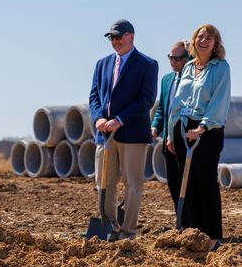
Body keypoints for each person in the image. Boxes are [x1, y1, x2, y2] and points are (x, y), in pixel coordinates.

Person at [89, 20, 158, 241]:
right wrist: (99, 117)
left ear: (131, 37)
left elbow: (146, 99)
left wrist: (119, 119)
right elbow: (94, 96)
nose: (115, 42)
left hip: (133, 135)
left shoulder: (147, 64)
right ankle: (109, 228)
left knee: (132, 184)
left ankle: (128, 233)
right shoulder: (102, 64)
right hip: (105, 134)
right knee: (104, 182)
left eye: (119, 37)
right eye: (112, 38)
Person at [167, 24, 230, 251]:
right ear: (194, 41)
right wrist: (172, 131)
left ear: (215, 44)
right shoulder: (189, 67)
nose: (203, 41)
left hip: (208, 130)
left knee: (206, 182)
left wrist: (202, 128)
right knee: (189, 182)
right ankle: (195, 233)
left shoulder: (220, 68)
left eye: (209, 38)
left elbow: (219, 100)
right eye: (200, 37)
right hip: (183, 128)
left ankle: (213, 236)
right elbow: (178, 101)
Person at [151, 40, 190, 215]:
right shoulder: (167, 80)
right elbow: (162, 109)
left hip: (187, 139)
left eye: (177, 58)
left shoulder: (194, 80)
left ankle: (193, 221)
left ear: (188, 58)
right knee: (174, 182)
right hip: (168, 141)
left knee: (188, 183)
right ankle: (181, 220)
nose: (173, 62)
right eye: (170, 58)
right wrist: (155, 127)